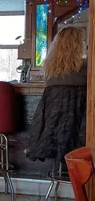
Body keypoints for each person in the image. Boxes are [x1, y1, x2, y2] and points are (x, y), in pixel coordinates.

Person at [26, 26, 87, 162]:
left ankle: (59, 172)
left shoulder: (50, 67)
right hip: (78, 129)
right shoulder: (86, 67)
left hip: (53, 127)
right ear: (78, 44)